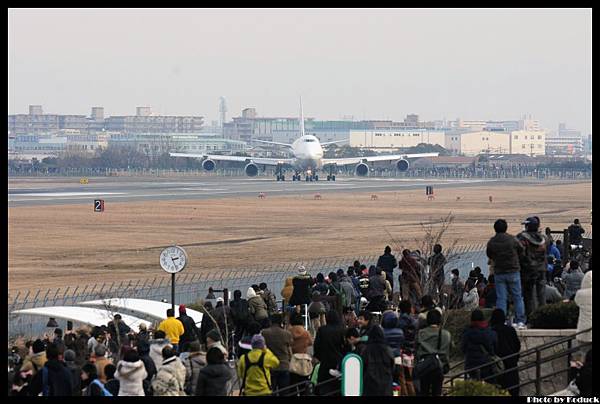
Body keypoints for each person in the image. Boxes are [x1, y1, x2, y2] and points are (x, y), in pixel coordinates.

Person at [487, 218, 527, 328]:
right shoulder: (512, 239)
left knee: (501, 298)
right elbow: (521, 250)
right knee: (517, 297)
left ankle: (501, 321)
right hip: (513, 271)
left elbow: (489, 254)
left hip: (499, 272)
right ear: (506, 228)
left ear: (495, 229)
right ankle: (520, 321)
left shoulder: (492, 241)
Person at [517, 216, 549, 317]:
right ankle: (543, 315)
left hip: (528, 270)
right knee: (541, 294)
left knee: (529, 296)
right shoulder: (544, 239)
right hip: (541, 269)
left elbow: (520, 252)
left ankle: (531, 317)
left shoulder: (522, 238)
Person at [415, 310, 451, 397]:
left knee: (423, 391)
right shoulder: (446, 334)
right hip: (439, 366)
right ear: (440, 320)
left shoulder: (421, 333)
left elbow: (416, 349)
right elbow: (448, 351)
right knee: (437, 392)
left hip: (424, 366)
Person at [313, 310, 345, 396]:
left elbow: (317, 346)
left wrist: (319, 357)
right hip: (339, 363)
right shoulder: (342, 330)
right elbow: (346, 347)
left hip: (325, 362)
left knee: (324, 387)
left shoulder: (322, 330)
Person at [489, 309, 521, 396]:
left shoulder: (492, 332)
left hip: (498, 366)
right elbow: (517, 345)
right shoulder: (511, 330)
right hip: (512, 365)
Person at [461, 309, 498, 381]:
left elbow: (463, 348)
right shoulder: (490, 333)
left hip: (471, 365)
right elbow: (495, 349)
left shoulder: (467, 333)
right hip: (487, 364)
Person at [361, 325, 395, 396]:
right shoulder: (388, 350)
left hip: (369, 386)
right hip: (386, 386)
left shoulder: (366, 350)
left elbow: (362, 368)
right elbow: (393, 368)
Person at [288, 313, 314, 387]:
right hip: (303, 360)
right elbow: (310, 343)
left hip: (292, 360)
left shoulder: (288, 332)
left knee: (292, 385)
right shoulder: (306, 333)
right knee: (303, 384)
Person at [574, 270, 592, 356]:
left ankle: (580, 369)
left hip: (583, 331)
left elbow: (577, 302)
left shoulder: (580, 294)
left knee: (582, 355)